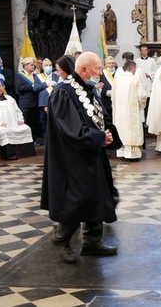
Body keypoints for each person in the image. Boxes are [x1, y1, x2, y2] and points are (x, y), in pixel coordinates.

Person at [41, 52, 120, 264]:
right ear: (84, 69)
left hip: (92, 152)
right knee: (78, 200)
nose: (100, 73)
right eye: (96, 69)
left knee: (98, 195)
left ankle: (91, 242)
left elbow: (100, 117)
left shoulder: (88, 89)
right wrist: (98, 138)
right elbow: (70, 129)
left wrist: (108, 134)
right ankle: (60, 239)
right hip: (73, 158)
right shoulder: (63, 92)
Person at [0, 80, 36, 160]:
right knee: (5, 132)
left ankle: (24, 154)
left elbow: (17, 111)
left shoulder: (9, 98)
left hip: (14, 123)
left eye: (0, 86)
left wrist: (20, 119)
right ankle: (10, 155)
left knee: (26, 128)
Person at [112, 60, 146, 159]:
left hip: (119, 110)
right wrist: (142, 106)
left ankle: (121, 152)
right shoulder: (135, 79)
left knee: (121, 129)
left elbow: (113, 96)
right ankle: (132, 155)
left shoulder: (117, 79)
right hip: (132, 111)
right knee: (131, 130)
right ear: (133, 68)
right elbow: (142, 95)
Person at [135, 45, 158, 122]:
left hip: (149, 84)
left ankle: (148, 121)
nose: (144, 52)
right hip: (140, 84)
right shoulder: (136, 61)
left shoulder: (152, 61)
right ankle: (142, 120)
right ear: (140, 51)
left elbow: (156, 72)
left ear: (147, 51)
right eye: (142, 50)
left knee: (148, 104)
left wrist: (149, 74)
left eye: (145, 50)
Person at [37, 58, 58, 139]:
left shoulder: (56, 76)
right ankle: (47, 141)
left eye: (49, 65)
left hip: (55, 103)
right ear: (42, 67)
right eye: (46, 65)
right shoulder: (38, 77)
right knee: (45, 124)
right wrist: (46, 83)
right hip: (43, 104)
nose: (48, 67)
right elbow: (36, 88)